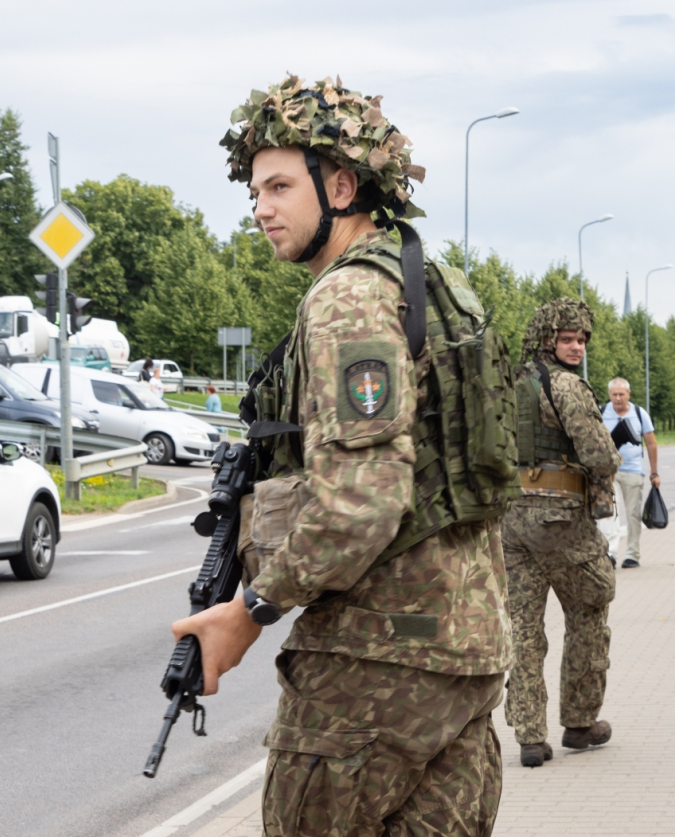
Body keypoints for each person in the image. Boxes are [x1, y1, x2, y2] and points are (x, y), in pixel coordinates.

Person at [171, 75, 509, 835]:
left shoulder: (347, 298)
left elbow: (364, 497)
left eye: (281, 186)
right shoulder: (430, 280)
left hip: (374, 663)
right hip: (467, 646)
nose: (261, 209)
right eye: (256, 191)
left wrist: (252, 610)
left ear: (344, 185)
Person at [505, 299, 620, 768]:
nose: (576, 347)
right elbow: (601, 455)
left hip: (511, 518)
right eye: (568, 338)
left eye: (581, 339)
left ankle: (530, 736)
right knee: (591, 605)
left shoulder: (508, 381)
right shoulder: (568, 386)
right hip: (562, 519)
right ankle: (579, 722)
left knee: (524, 629)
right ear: (548, 339)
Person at [600, 377, 657, 569]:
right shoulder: (600, 413)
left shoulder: (640, 413)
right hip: (609, 472)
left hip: (633, 471)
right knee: (610, 513)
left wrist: (654, 473)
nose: (617, 398)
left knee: (633, 514)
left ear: (628, 394)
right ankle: (611, 553)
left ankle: (632, 554)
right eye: (614, 394)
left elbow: (651, 443)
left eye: (621, 394)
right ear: (609, 395)